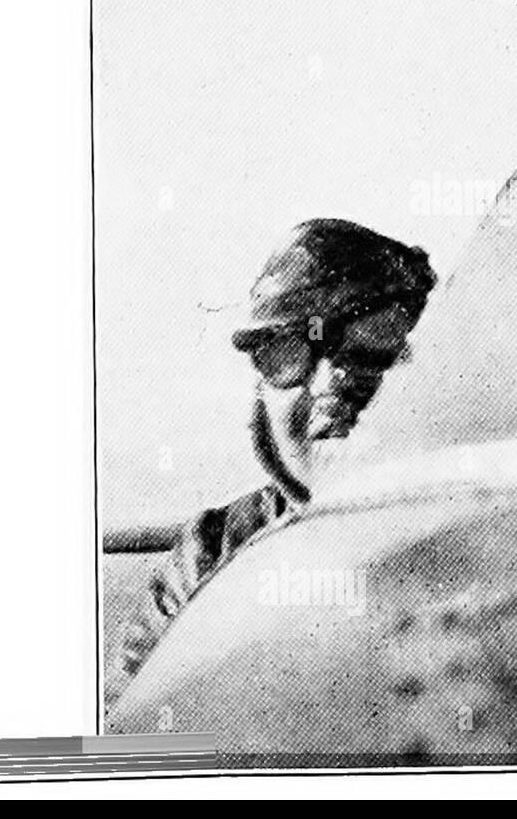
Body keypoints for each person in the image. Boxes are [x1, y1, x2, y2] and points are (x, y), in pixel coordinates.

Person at [114, 218, 437, 682]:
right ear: (263, 395)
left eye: (374, 351)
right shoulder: (209, 554)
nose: (330, 383)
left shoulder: (482, 525)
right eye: (287, 355)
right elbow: (141, 732)